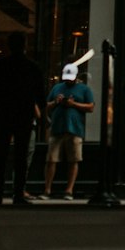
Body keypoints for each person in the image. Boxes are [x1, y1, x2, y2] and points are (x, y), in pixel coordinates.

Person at [0, 32, 45, 207]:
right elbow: (41, 94)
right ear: (24, 45)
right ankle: (18, 194)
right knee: (21, 156)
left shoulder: (0, 65)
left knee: (0, 155)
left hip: (4, 113)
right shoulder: (32, 67)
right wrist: (42, 114)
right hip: (23, 114)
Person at [44, 62, 95, 201]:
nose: (68, 80)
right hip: (57, 127)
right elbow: (46, 106)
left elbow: (91, 107)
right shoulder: (57, 88)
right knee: (51, 159)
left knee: (73, 160)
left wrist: (73, 104)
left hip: (75, 128)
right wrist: (56, 102)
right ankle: (47, 189)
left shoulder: (84, 89)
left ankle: (69, 189)